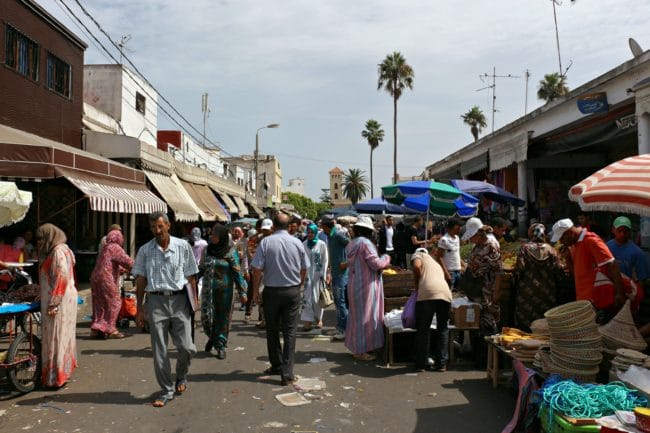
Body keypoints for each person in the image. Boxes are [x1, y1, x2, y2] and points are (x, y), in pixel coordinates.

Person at [133, 211, 199, 408]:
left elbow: (191, 277)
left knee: (187, 347)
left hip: (179, 301)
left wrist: (194, 303)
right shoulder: (145, 250)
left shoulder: (183, 246)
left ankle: (181, 376)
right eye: (153, 227)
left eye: (160, 226)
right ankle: (167, 390)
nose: (157, 230)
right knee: (159, 350)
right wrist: (138, 309)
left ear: (168, 225)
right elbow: (140, 280)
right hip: (155, 302)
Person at [251, 212, 309, 386]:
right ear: (288, 226)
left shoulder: (266, 242)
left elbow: (257, 269)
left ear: (274, 226)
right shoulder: (297, 242)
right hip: (291, 291)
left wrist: (255, 291)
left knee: (273, 330)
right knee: (290, 332)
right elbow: (304, 268)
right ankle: (286, 372)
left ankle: (277, 365)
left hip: (272, 292)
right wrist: (299, 285)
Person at [551, 217, 626, 322]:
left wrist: (619, 293)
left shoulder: (590, 240)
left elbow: (612, 265)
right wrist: (568, 259)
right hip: (584, 300)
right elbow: (577, 273)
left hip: (598, 300)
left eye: (562, 238)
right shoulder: (574, 245)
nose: (561, 242)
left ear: (569, 233)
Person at [36, 223, 78, 388]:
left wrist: (54, 303)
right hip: (65, 299)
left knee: (56, 337)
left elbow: (62, 276)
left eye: (41, 238)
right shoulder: (64, 248)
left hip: (59, 301)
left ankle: (55, 377)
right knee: (63, 336)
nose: (39, 242)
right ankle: (62, 373)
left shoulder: (57, 251)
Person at [344, 215, 391, 361]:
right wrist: (386, 258)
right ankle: (361, 351)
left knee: (356, 317)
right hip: (366, 286)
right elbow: (376, 264)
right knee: (366, 318)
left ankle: (359, 347)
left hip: (354, 284)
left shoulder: (351, 244)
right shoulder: (365, 244)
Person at [201, 224, 248, 359]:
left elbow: (237, 272)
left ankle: (220, 345)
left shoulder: (230, 251)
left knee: (222, 318)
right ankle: (212, 336)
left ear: (221, 237)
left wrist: (242, 292)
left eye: (214, 235)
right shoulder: (207, 250)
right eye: (211, 235)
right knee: (207, 317)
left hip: (225, 291)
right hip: (208, 291)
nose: (211, 237)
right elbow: (201, 267)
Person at [511, 223, 566, 332]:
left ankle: (527, 337)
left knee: (526, 318)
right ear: (544, 235)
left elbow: (519, 270)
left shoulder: (525, 249)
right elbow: (559, 270)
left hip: (527, 291)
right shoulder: (551, 249)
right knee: (543, 320)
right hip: (547, 290)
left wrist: (515, 283)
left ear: (532, 234)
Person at [411, 247, 452, 372]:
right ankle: (442, 364)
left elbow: (417, 267)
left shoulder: (418, 254)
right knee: (443, 328)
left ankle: (422, 364)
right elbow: (449, 278)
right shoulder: (435, 262)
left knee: (423, 329)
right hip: (445, 294)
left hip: (428, 294)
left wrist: (418, 284)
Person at [90, 229, 134, 339]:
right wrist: (138, 268)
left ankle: (97, 328)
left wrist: (122, 269)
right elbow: (127, 262)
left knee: (99, 304)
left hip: (95, 278)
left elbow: (108, 263)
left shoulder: (105, 248)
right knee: (114, 303)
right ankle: (111, 329)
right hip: (106, 279)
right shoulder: (115, 247)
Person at [463, 217, 502, 336]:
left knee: (488, 323)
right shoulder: (478, 245)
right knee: (478, 323)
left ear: (479, 233)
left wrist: (496, 293)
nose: (470, 239)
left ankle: (489, 353)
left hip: (487, 291)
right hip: (477, 290)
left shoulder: (490, 245)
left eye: (472, 236)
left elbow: (499, 271)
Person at [320, 215, 350, 341]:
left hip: (341, 274)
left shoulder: (337, 235)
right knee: (338, 303)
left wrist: (347, 262)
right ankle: (340, 327)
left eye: (322, 226)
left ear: (326, 226)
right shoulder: (330, 236)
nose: (321, 228)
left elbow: (353, 246)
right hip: (335, 274)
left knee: (341, 302)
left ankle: (344, 330)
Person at [300, 223, 329, 332]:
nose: (310, 234)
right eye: (308, 232)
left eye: (312, 232)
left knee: (318, 298)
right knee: (307, 298)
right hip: (307, 275)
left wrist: (324, 274)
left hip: (318, 276)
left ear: (316, 232)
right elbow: (301, 260)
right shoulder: (304, 244)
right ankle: (308, 321)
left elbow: (325, 260)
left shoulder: (321, 244)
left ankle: (319, 319)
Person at [606, 216, 649, 282]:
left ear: (630, 231)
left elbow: (642, 279)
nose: (622, 234)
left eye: (625, 231)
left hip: (629, 288)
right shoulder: (606, 248)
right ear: (613, 230)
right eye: (619, 230)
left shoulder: (637, 252)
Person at [436, 217, 464, 291]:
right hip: (450, 271)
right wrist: (446, 273)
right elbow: (439, 257)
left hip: (458, 271)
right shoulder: (444, 240)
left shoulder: (457, 238)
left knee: (457, 294)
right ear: (451, 227)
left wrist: (463, 265)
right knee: (448, 293)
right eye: (457, 225)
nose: (459, 228)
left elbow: (456, 254)